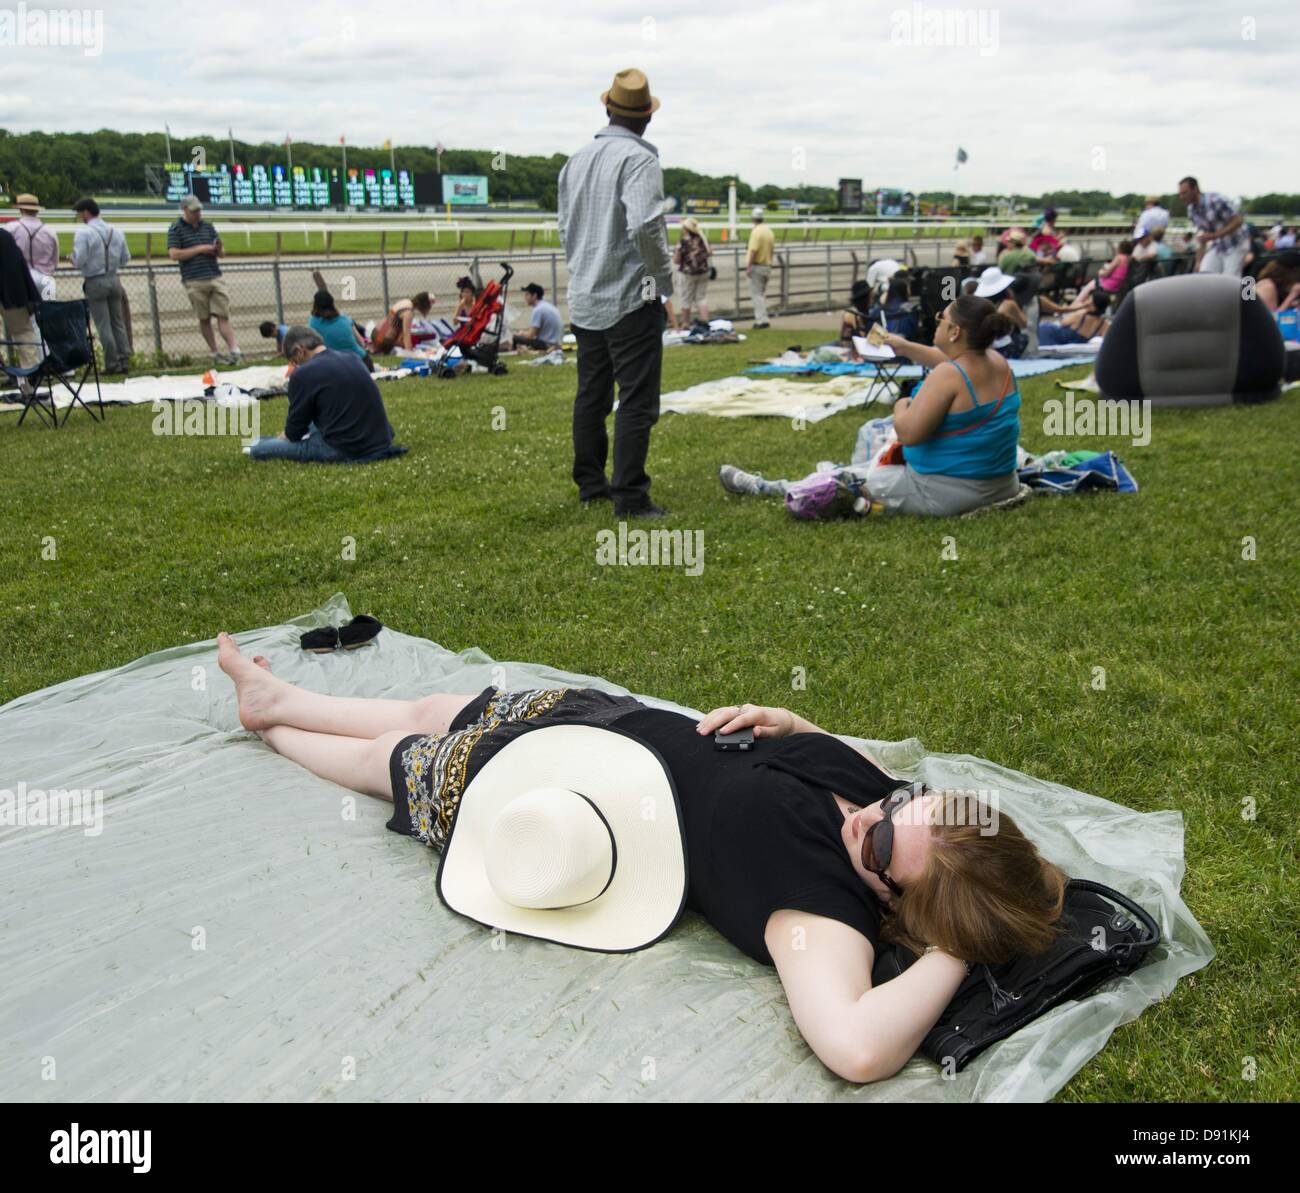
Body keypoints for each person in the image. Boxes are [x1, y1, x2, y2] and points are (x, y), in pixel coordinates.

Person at [216, 634, 1069, 1084]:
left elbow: (853, 1048)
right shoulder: (885, 810)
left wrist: (956, 947)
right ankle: (294, 695)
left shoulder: (819, 911)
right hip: (605, 721)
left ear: (904, 904)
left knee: (394, 760)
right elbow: (856, 774)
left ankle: (278, 725)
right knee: (440, 704)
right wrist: (788, 722)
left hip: (565, 798)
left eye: (884, 843)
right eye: (902, 800)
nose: (871, 817)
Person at [557, 67, 673, 519]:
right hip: (630, 297)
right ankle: (630, 496)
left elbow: (566, 227)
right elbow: (645, 225)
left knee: (591, 395)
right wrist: (662, 280)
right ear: (647, 118)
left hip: (586, 296)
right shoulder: (640, 160)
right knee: (637, 400)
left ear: (608, 108)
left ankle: (590, 484)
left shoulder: (575, 161)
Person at [245, 327, 402, 463]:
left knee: (258, 449)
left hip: (346, 448)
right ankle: (267, 440)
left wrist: (286, 436)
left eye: (294, 362)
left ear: (299, 351)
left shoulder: (302, 374)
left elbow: (295, 432)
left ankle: (260, 443)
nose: (295, 366)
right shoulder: (351, 357)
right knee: (308, 428)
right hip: (379, 440)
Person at [167, 194, 241, 365]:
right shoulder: (176, 229)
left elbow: (221, 254)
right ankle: (215, 353)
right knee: (204, 318)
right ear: (185, 210)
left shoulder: (208, 227)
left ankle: (235, 350)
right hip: (194, 280)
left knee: (223, 315)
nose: (198, 214)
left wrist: (217, 249)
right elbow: (174, 254)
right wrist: (201, 249)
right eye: (194, 211)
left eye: (199, 210)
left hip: (214, 276)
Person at [69, 197, 131, 376]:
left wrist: (73, 259)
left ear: (86, 212)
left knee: (103, 324)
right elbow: (125, 258)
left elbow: (79, 260)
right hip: (113, 278)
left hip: (95, 280)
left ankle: (112, 363)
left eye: (80, 213)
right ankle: (124, 359)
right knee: (117, 322)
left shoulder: (84, 232)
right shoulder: (116, 231)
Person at [1178, 176, 1249, 276]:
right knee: (1204, 275)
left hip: (1236, 243)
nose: (1182, 197)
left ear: (1195, 189)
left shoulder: (1215, 200)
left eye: (1185, 193)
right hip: (1218, 246)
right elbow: (1202, 237)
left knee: (1230, 279)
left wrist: (1215, 235)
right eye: (1180, 194)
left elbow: (1238, 220)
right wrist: (1198, 261)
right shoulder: (1191, 210)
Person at [0, 226, 42, 381]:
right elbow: (20, 267)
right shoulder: (5, 237)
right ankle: (31, 371)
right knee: (23, 332)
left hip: (11, 293)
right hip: (12, 293)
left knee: (23, 332)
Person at [10, 193, 58, 300]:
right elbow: (55, 260)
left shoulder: (11, 228)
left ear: (21, 210)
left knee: (22, 315)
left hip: (21, 278)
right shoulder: (50, 231)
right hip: (45, 278)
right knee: (48, 313)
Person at [308, 289, 372, 368]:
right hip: (363, 361)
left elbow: (311, 348)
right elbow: (361, 341)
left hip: (338, 366)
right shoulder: (344, 318)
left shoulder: (314, 322)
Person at [672, 216, 712, 329]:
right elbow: (710, 252)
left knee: (686, 298)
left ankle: (685, 323)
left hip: (687, 273)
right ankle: (705, 321)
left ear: (686, 229)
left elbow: (676, 260)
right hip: (703, 272)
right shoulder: (703, 239)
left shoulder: (683, 242)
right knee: (701, 297)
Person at [1038, 288, 1112, 346]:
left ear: (1091, 303)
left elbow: (1064, 322)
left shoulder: (1081, 314)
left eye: (1089, 299)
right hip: (1081, 342)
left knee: (1045, 327)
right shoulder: (1104, 324)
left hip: (1063, 340)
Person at [745, 206, 776, 328]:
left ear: (753, 218)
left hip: (757, 266)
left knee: (756, 294)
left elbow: (753, 250)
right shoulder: (769, 231)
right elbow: (772, 249)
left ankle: (761, 320)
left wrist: (748, 266)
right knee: (761, 294)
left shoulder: (756, 232)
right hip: (767, 265)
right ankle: (763, 318)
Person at [511, 282, 564, 351]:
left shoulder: (538, 310)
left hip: (547, 344)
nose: (525, 297)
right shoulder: (547, 306)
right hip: (556, 343)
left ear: (534, 295)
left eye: (527, 294)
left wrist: (522, 333)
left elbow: (531, 335)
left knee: (514, 338)